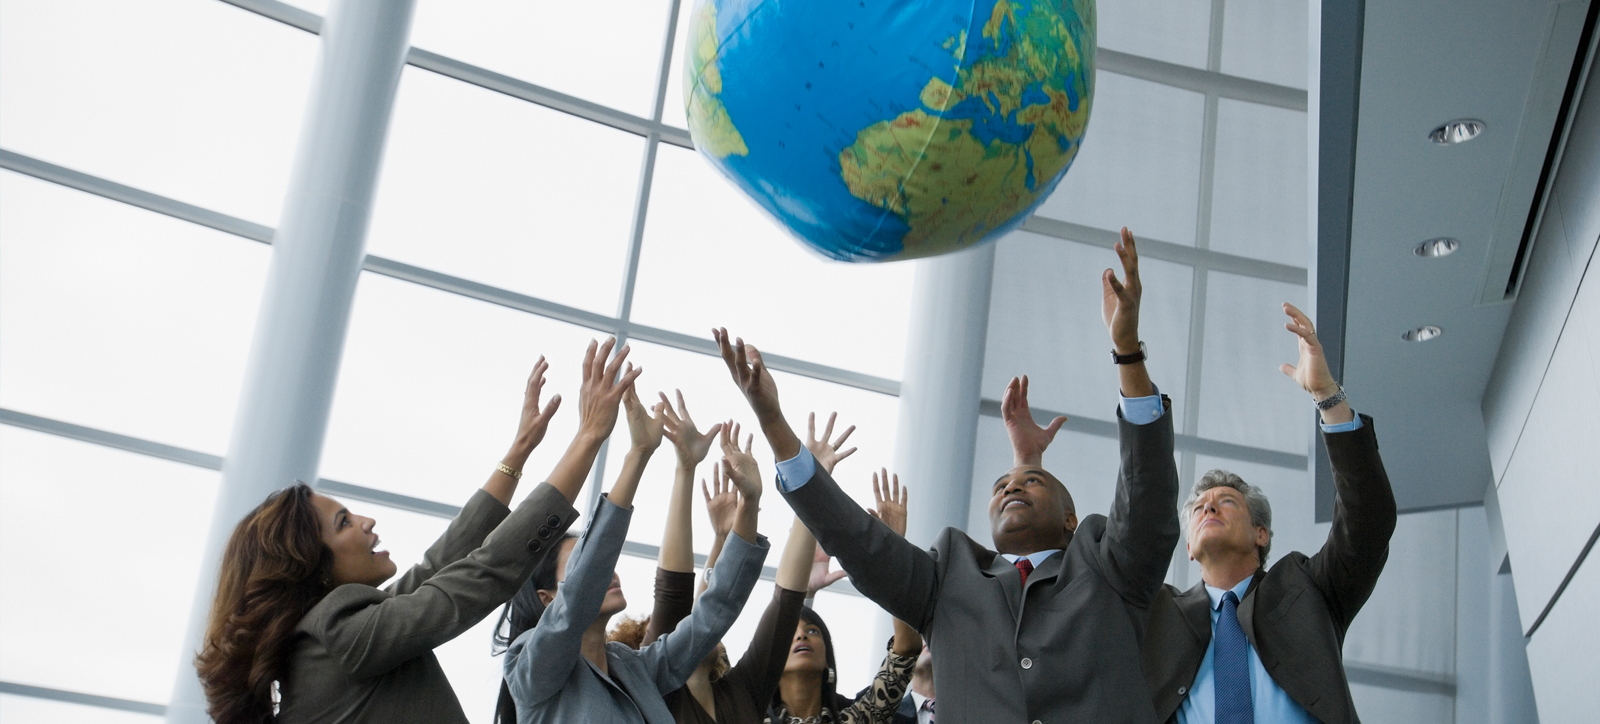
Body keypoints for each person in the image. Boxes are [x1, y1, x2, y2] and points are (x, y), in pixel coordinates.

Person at [714, 227, 1180, 724]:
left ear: (1071, 519)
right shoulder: (950, 576)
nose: (1012, 487)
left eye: (1031, 481)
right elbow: (856, 538)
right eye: (1000, 487)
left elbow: (1146, 489)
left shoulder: (1109, 564)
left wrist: (1127, 351)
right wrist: (774, 424)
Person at [195, 339, 641, 724]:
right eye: (344, 522)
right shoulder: (340, 636)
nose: (366, 522)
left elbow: (437, 566)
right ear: (312, 567)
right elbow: (481, 575)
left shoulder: (335, 639)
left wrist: (519, 452)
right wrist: (587, 438)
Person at [1137, 303, 1398, 724]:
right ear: (1188, 547)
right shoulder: (1158, 615)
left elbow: (1368, 520)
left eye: (1227, 502)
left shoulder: (1309, 591)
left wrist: (1327, 396)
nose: (1208, 506)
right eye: (1201, 506)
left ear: (1261, 534)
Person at [500, 389, 771, 724]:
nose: (607, 572)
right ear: (547, 598)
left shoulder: (634, 668)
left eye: (600, 565)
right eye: (578, 566)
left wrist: (749, 503)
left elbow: (714, 611)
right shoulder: (530, 665)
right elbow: (583, 587)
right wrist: (638, 454)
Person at [644, 412, 862, 724]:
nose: (700, 629)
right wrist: (685, 469)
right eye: (682, 627)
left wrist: (808, 487)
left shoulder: (744, 691)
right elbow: (672, 591)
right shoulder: (653, 687)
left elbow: (786, 602)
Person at [768, 464, 922, 724]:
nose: (802, 635)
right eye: (792, 633)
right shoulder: (743, 715)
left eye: (814, 631)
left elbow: (904, 653)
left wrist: (895, 553)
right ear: (767, 661)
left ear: (829, 659)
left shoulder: (859, 720)